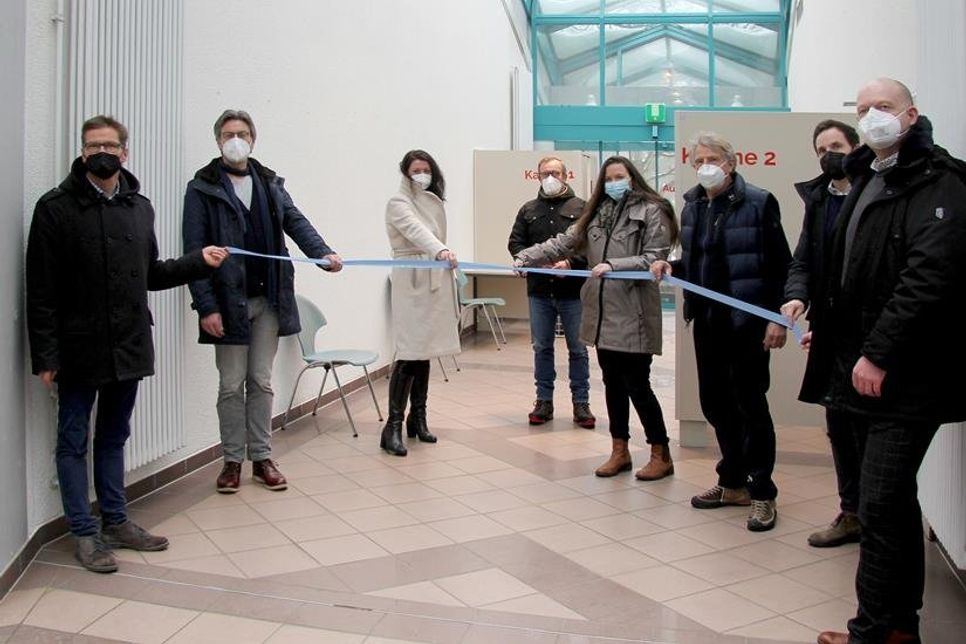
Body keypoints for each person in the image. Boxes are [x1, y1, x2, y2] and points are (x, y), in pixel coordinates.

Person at [26, 115, 229, 573]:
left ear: (125, 153)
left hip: (130, 343)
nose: (102, 151)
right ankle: (84, 531)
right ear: (82, 153)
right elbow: (40, 291)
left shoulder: (139, 207)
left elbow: (151, 273)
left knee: (114, 436)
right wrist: (46, 355)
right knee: (73, 440)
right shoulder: (55, 208)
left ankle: (116, 520)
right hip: (78, 348)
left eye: (110, 145)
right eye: (92, 145)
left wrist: (198, 261)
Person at [809, 79, 966, 644]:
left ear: (911, 114)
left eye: (883, 107)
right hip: (861, 368)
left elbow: (928, 279)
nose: (872, 117)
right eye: (861, 109)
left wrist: (876, 352)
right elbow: (855, 270)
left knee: (878, 503)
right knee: (892, 504)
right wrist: (831, 332)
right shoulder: (869, 178)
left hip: (907, 374)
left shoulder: (940, 181)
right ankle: (897, 627)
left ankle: (874, 632)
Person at [183, 109, 343, 494]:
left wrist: (323, 254)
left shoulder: (270, 183)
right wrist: (207, 307)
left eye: (241, 132)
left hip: (269, 300)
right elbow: (193, 250)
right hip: (228, 303)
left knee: (261, 381)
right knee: (230, 384)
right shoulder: (201, 188)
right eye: (227, 133)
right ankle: (231, 462)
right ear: (218, 140)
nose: (234, 139)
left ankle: (262, 457)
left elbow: (296, 221)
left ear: (252, 139)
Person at [651, 133, 791, 532]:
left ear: (731, 163)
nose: (706, 166)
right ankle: (732, 482)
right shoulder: (693, 205)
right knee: (715, 404)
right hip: (708, 322)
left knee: (750, 405)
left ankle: (762, 491)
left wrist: (777, 319)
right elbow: (698, 262)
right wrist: (671, 267)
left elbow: (781, 265)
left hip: (746, 323)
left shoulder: (759, 202)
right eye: (699, 160)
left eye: (713, 158)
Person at [515, 156, 677, 481]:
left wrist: (615, 266)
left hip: (634, 311)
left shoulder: (652, 210)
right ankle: (620, 450)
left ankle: (660, 452)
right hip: (602, 313)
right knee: (612, 384)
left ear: (633, 178)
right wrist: (525, 257)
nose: (614, 183)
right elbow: (564, 242)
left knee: (638, 384)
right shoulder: (597, 212)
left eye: (620, 177)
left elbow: (655, 258)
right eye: (609, 178)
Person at [781, 120, 863, 549]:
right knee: (838, 425)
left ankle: (876, 517)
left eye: (836, 145)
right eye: (821, 148)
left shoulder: (873, 193)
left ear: (856, 147)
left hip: (867, 337)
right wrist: (797, 297)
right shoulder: (820, 199)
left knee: (869, 432)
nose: (828, 154)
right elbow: (803, 260)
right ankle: (851, 512)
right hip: (830, 335)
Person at [381, 150, 461, 457]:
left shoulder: (431, 198)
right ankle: (393, 426)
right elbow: (417, 231)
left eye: (426, 169)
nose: (422, 174)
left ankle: (419, 418)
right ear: (405, 172)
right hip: (413, 279)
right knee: (410, 351)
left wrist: (440, 254)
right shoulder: (398, 203)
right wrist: (441, 251)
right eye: (416, 170)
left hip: (433, 278)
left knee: (424, 351)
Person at [507, 156, 594, 429]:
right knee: (541, 347)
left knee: (578, 349)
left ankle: (581, 403)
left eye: (555, 172)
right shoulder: (528, 209)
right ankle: (543, 401)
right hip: (539, 290)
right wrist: (529, 260)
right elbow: (515, 243)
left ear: (566, 175)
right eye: (545, 173)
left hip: (573, 291)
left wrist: (570, 263)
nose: (550, 177)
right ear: (537, 176)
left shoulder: (582, 208)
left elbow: (590, 246)